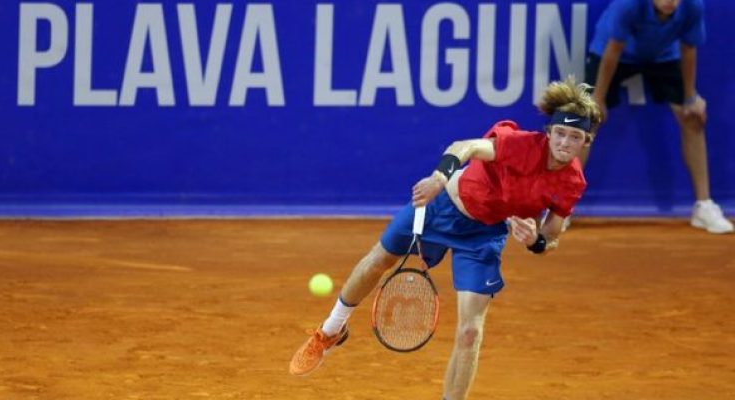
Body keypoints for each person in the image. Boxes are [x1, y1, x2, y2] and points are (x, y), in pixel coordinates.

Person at [288, 77, 602, 400]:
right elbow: (463, 147)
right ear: (548, 132)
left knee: (470, 331)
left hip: (484, 235)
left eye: (574, 136)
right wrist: (440, 178)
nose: (564, 142)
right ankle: (330, 330)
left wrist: (536, 240)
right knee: (379, 260)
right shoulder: (520, 144)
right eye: (559, 133)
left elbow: (552, 236)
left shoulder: (572, 183)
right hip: (441, 208)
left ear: (586, 141)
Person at [584, 0, 733, 234]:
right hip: (613, 53)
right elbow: (614, 49)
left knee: (692, 117)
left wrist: (690, 97)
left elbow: (688, 48)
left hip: (663, 55)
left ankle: (704, 206)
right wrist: (598, 99)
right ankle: (561, 208)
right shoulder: (629, 6)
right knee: (584, 119)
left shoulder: (692, 6)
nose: (671, 1)